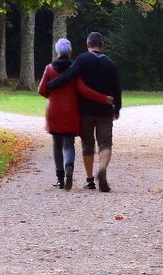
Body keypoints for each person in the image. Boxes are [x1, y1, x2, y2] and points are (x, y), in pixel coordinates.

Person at [46, 31, 121, 192]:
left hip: (85, 110)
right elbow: (117, 88)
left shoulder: (82, 59)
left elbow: (70, 75)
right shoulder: (110, 63)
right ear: (102, 45)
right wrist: (117, 108)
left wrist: (52, 84)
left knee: (87, 145)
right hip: (105, 111)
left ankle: (90, 180)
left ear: (88, 44)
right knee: (105, 144)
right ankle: (102, 169)